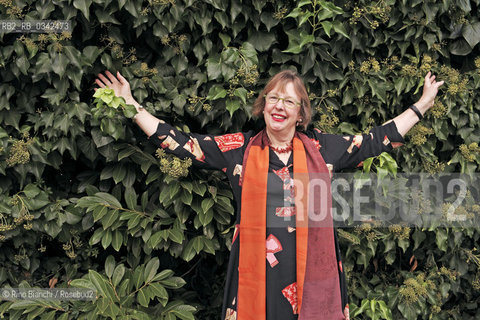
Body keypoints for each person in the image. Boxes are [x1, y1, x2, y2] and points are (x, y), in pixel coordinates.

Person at [95, 70, 443, 320]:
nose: (279, 105)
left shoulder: (323, 149)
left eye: (288, 101)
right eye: (273, 98)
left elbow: (375, 140)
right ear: (262, 106)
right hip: (256, 271)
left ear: (300, 112)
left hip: (311, 271)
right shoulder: (239, 148)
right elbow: (181, 143)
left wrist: (423, 104)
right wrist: (130, 104)